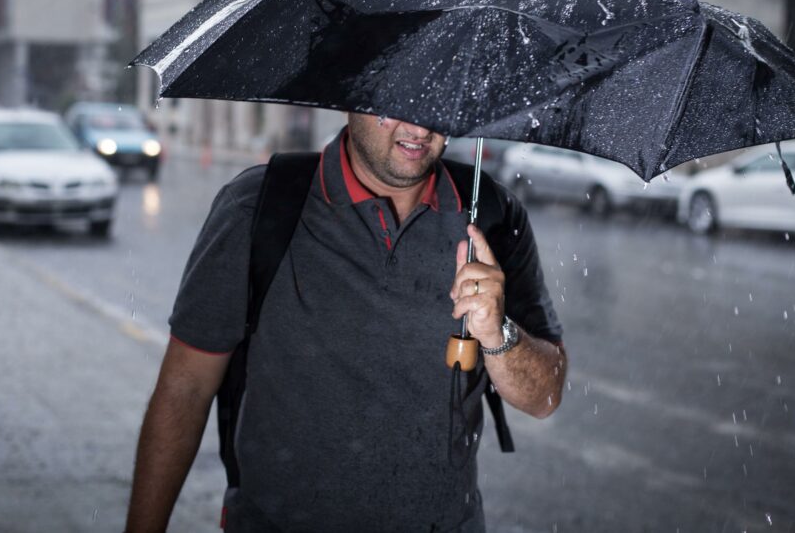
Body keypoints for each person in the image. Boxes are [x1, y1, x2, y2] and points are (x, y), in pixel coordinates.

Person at [125, 114, 567, 532]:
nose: (418, 126)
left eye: (433, 104)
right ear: (353, 96)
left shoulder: (492, 215)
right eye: (397, 102)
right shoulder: (259, 206)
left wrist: (498, 332)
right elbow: (185, 388)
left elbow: (544, 396)